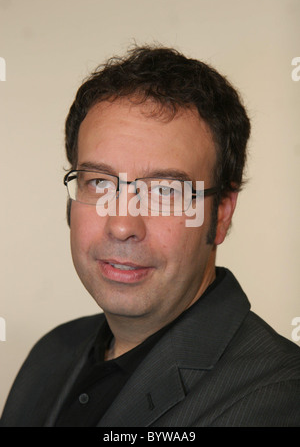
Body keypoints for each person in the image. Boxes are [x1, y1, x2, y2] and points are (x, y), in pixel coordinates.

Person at [1, 46, 300, 427]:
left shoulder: (277, 398)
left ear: (221, 213)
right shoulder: (52, 354)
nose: (123, 225)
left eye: (165, 191)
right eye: (99, 182)